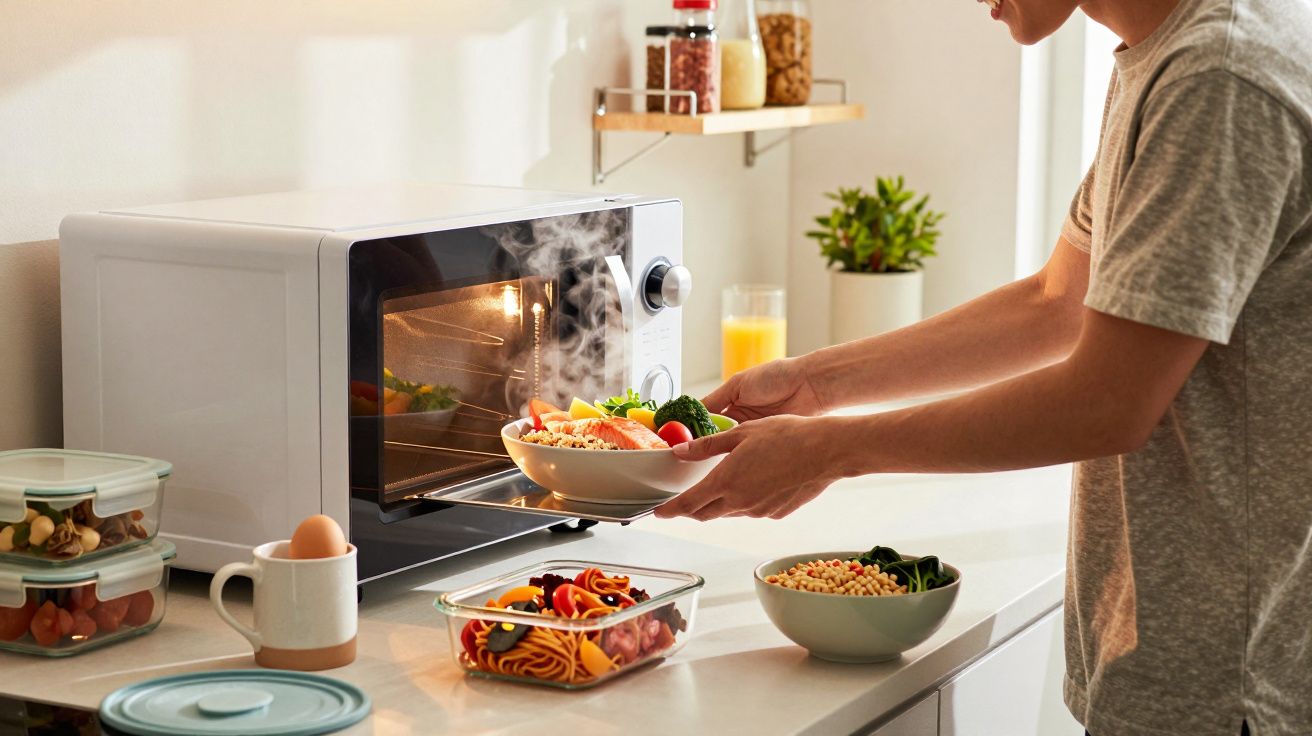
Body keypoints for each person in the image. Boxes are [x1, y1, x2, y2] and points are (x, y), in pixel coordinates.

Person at [654, 0, 1312, 733]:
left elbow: (1108, 402)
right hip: (1179, 654)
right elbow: (1056, 299)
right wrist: (817, 386)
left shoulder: (1216, 79)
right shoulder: (1163, 55)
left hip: (1231, 687)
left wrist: (831, 451)